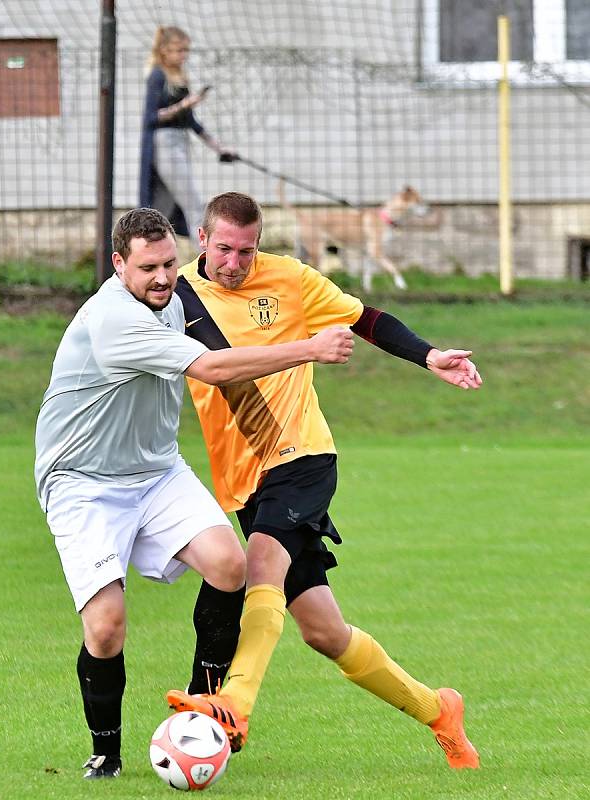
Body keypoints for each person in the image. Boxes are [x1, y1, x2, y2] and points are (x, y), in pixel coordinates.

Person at [33, 207, 353, 779]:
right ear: (118, 265)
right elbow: (211, 368)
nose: (161, 277)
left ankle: (201, 702)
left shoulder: (175, 300)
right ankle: (105, 750)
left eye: (168, 264)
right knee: (106, 627)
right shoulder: (113, 320)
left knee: (231, 566)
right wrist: (308, 348)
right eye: (147, 268)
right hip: (83, 482)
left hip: (156, 471)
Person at [166, 192, 482, 769]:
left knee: (259, 563)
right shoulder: (176, 295)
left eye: (247, 250)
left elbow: (364, 319)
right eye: (225, 249)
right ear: (204, 241)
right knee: (323, 631)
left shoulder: (289, 279)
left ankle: (231, 703)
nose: (236, 262)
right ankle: (438, 710)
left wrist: (429, 354)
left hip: (303, 455)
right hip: (245, 476)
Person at [139, 26, 234, 250]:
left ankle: (149, 256)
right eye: (178, 50)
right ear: (164, 50)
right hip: (164, 144)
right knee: (194, 206)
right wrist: (184, 104)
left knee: (160, 210)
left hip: (181, 142)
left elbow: (190, 120)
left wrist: (219, 147)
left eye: (186, 50)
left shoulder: (180, 76)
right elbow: (151, 117)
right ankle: (208, 263)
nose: (184, 55)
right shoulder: (157, 75)